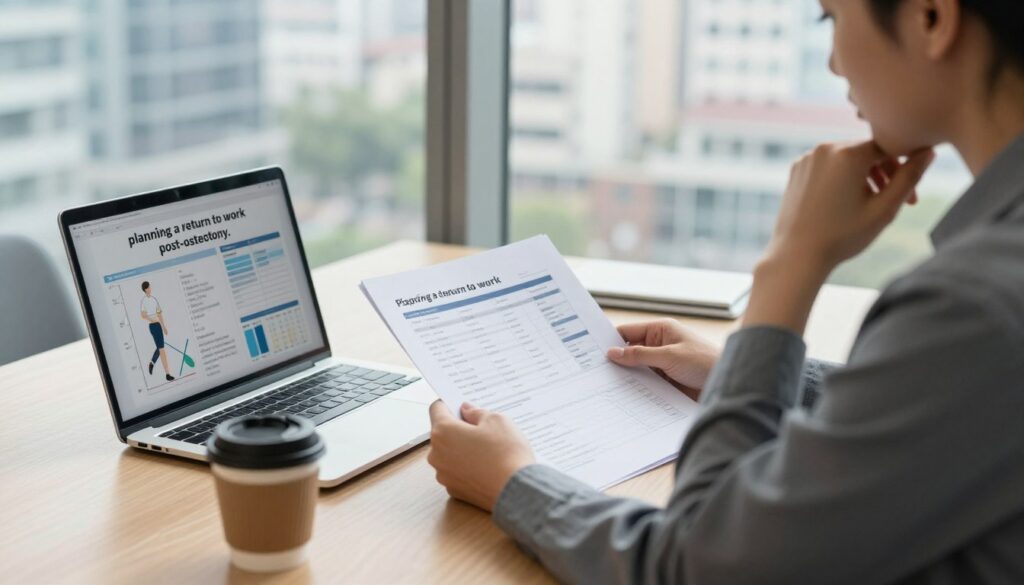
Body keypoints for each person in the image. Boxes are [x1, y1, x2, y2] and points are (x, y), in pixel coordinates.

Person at [425, 0, 1024, 582]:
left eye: (832, 17)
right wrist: (744, 374)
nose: (834, 64)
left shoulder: (975, 303)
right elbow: (945, 405)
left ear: (931, 17)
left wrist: (511, 481)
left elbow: (699, 560)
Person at [140, 281, 174, 382]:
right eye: (149, 287)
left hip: (158, 326)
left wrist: (164, 326)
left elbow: (159, 314)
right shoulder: (144, 301)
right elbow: (143, 315)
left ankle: (152, 363)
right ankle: (167, 374)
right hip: (153, 326)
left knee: (160, 348)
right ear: (146, 289)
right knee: (162, 350)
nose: (151, 288)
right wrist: (152, 320)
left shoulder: (154, 300)